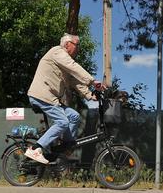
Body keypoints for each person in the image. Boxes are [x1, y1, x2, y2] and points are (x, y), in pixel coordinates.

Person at [25, 33, 106, 164]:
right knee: (62, 122)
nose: (78, 48)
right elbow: (73, 66)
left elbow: (75, 81)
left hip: (51, 99)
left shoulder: (63, 62)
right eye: (77, 45)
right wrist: (92, 81)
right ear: (68, 44)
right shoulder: (57, 52)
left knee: (74, 116)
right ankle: (36, 149)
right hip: (42, 96)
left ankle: (66, 147)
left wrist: (90, 95)